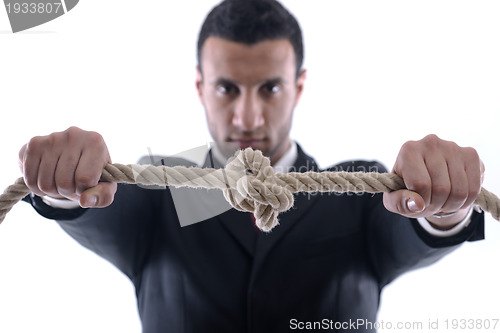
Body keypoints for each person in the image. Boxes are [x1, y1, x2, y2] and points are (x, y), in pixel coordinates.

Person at [19, 0, 485, 332]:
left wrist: (444, 206)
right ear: (200, 87)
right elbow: (101, 209)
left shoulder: (358, 188)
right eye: (226, 89)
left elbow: (411, 228)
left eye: (269, 88)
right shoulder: (161, 185)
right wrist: (64, 188)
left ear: (298, 87)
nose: (248, 117)